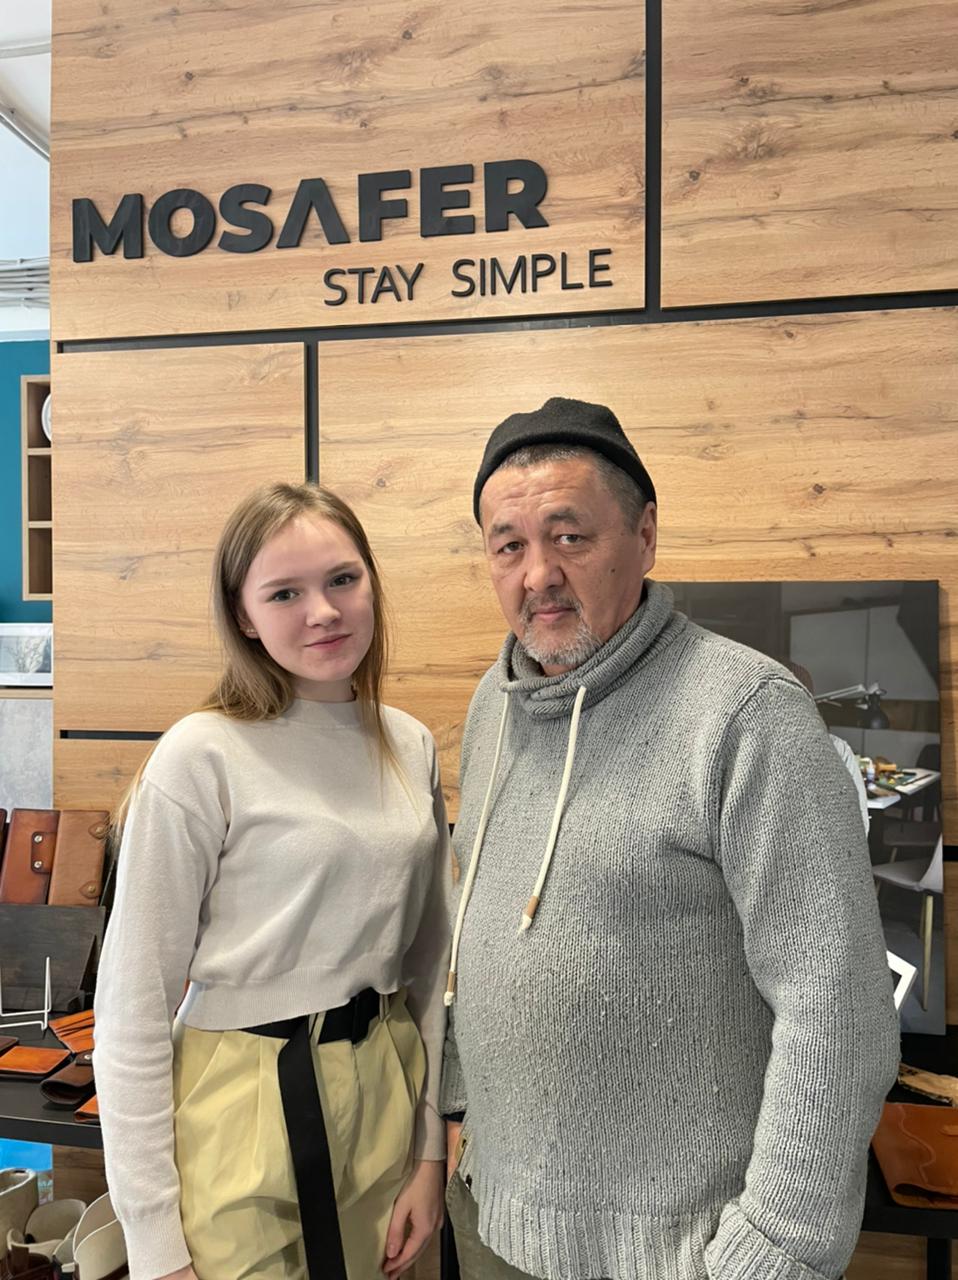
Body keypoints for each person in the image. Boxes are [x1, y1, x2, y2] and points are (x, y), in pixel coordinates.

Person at [440, 397, 900, 1280]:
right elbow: (477, 927)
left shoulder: (747, 714)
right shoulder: (493, 706)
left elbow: (838, 1011)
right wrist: (460, 1108)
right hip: (495, 1221)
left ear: (645, 536)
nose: (538, 575)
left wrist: (776, 1249)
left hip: (681, 1254)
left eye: (569, 537)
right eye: (509, 546)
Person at [93, 482, 449, 1280]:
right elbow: (132, 1005)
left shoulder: (409, 745)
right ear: (244, 615)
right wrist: (154, 1245)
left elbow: (428, 967)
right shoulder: (201, 756)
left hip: (384, 1084)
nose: (323, 611)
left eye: (342, 579)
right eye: (285, 593)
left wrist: (429, 1151)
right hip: (240, 1095)